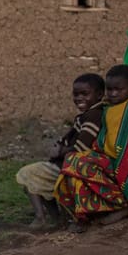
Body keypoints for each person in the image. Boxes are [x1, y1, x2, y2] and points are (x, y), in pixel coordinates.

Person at [54, 65, 128, 231]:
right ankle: (87, 215)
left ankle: (121, 205)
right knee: (73, 161)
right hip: (108, 159)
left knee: (77, 161)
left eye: (118, 89)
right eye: (110, 90)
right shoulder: (106, 107)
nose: (113, 94)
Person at [15, 74, 105, 229]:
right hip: (68, 164)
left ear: (99, 95)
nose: (79, 98)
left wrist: (61, 151)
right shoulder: (88, 115)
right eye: (76, 94)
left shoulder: (93, 116)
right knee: (38, 180)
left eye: (85, 94)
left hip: (72, 166)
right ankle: (56, 220)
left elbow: (81, 147)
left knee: (28, 174)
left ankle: (41, 217)